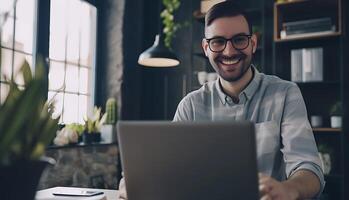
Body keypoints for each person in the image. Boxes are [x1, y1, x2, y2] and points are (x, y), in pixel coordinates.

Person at [119, 1, 324, 199]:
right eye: (218, 41)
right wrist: (134, 182)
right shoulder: (190, 106)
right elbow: (169, 168)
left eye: (239, 39)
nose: (229, 51)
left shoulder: (286, 93)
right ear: (206, 48)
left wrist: (289, 189)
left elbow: (310, 169)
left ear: (252, 43)